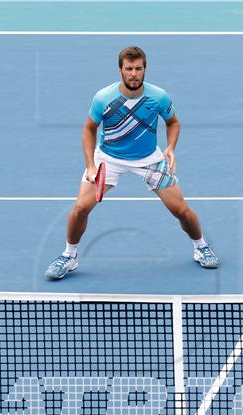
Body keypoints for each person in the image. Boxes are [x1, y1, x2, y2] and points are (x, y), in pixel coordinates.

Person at [45, 46, 219, 279]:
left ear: (145, 69)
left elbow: (173, 122)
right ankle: (69, 255)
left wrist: (170, 148)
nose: (134, 74)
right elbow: (89, 129)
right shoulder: (104, 98)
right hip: (108, 158)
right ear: (120, 71)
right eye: (129, 69)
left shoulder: (158, 97)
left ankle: (201, 247)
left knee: (181, 210)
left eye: (138, 68)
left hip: (149, 159)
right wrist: (90, 164)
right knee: (80, 209)